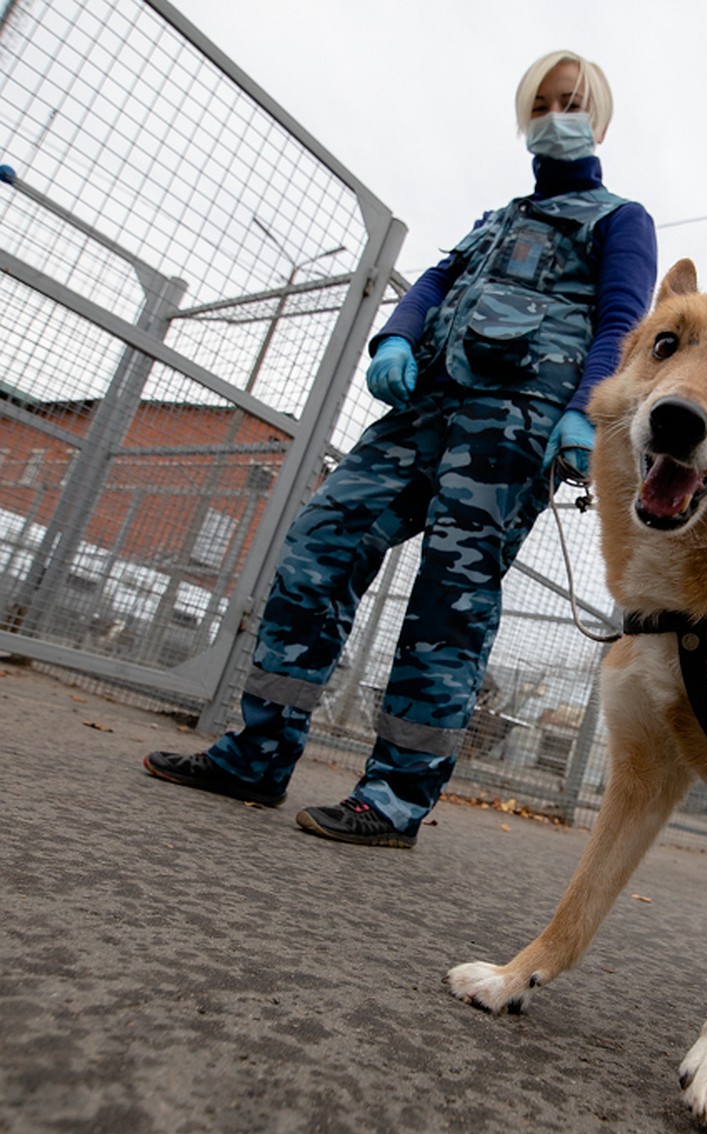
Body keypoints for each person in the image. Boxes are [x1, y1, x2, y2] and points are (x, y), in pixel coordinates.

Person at [144, 50, 657, 848]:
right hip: (426, 408)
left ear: (600, 120)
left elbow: (624, 319)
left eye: (576, 104)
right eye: (547, 103)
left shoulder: (621, 219)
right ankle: (258, 753)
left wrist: (587, 413)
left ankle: (394, 797)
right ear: (527, 117)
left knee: (450, 596)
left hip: (514, 426)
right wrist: (397, 339)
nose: (559, 115)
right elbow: (432, 283)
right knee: (322, 540)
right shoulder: (496, 220)